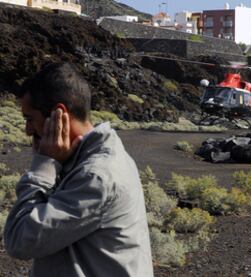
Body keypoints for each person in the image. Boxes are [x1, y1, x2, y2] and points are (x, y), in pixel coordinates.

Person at [3, 62, 153, 277]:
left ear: (58, 114)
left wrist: (43, 166)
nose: (27, 130)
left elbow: (20, 240)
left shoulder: (96, 175)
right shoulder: (92, 158)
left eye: (29, 119)